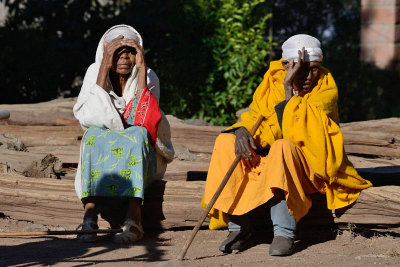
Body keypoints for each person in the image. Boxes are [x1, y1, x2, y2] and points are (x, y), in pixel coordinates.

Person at [201, 34, 372, 256]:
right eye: (302, 68)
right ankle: (239, 229)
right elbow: (256, 116)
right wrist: (242, 131)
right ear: (285, 65)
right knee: (226, 141)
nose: (309, 75)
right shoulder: (272, 82)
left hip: (309, 167)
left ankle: (284, 232)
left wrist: (289, 89)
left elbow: (299, 133)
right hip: (273, 163)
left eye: (314, 68)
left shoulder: (325, 87)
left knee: (283, 146)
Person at [73, 25, 174, 244]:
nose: (124, 57)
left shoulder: (148, 75)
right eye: (117, 51)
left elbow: (143, 119)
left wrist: (141, 70)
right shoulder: (94, 71)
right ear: (105, 52)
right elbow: (88, 117)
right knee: (92, 135)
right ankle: (89, 215)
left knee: (136, 134)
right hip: (105, 150)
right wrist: (103, 66)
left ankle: (134, 217)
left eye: (129, 50)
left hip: (141, 150)